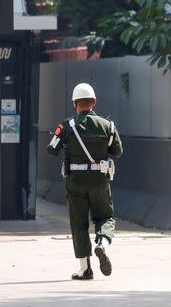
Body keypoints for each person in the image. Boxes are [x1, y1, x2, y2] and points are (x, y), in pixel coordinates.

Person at [46, 82, 123, 280]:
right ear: (94, 102)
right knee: (105, 217)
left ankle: (84, 268)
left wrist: (62, 139)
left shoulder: (67, 126)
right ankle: (102, 245)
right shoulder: (109, 126)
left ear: (75, 104)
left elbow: (51, 149)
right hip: (99, 181)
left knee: (79, 223)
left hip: (75, 183)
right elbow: (118, 151)